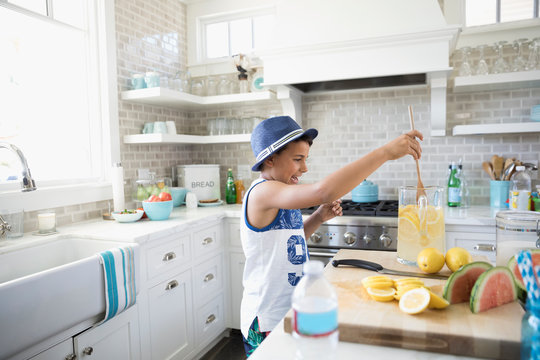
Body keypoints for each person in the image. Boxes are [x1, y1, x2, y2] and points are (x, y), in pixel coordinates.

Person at [240, 115, 423, 356]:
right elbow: (323, 191)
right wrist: (386, 153)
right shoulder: (263, 192)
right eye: (298, 159)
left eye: (305, 159)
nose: (304, 168)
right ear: (271, 159)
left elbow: (289, 244)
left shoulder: (283, 193)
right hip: (266, 317)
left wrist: (318, 218)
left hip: (290, 308)